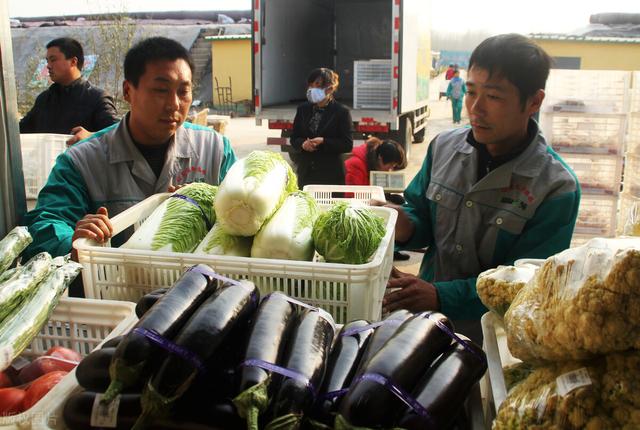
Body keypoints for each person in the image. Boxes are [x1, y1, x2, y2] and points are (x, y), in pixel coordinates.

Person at [381, 34, 581, 337]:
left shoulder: (555, 187)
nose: (475, 108)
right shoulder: (444, 147)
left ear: (534, 102)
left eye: (494, 97)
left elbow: (526, 282)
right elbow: (421, 212)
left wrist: (441, 296)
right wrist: (403, 223)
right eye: (471, 91)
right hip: (426, 324)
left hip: (496, 338)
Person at [22, 37, 236, 264]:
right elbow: (43, 226)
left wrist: (209, 205)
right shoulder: (81, 161)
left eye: (183, 92)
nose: (174, 104)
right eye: (160, 90)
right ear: (127, 91)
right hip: (113, 290)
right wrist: (71, 242)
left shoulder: (215, 150)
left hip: (201, 286)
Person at [19, 37, 118, 145]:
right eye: (47, 61)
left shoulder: (97, 98)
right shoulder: (44, 99)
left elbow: (117, 135)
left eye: (53, 60)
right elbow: (20, 131)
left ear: (73, 61)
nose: (48, 66)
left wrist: (91, 136)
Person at [290, 68, 353, 188]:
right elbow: (294, 138)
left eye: (317, 85)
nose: (312, 89)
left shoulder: (341, 112)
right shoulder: (303, 109)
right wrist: (303, 144)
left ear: (330, 88)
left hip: (330, 174)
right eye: (310, 85)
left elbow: (347, 144)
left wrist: (324, 141)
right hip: (306, 172)